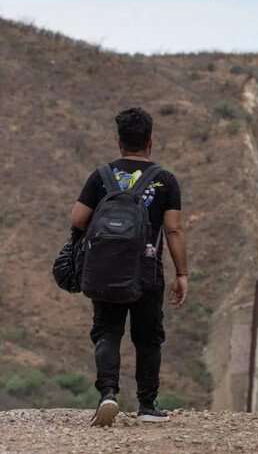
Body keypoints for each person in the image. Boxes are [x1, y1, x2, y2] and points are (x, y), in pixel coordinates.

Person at [70, 107, 187, 426]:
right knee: (148, 337)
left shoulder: (101, 177)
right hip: (147, 273)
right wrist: (182, 273)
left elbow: (78, 219)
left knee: (107, 332)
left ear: (119, 142)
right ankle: (148, 405)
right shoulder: (165, 181)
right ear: (150, 142)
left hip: (106, 270)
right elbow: (174, 230)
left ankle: (107, 394)